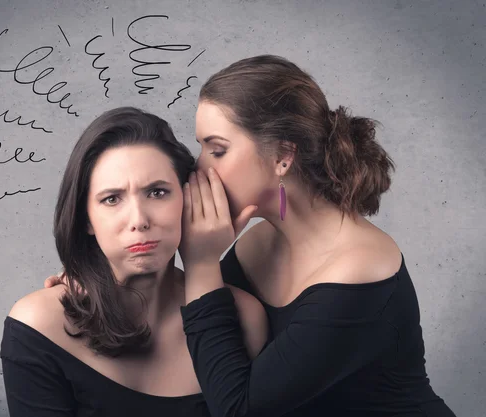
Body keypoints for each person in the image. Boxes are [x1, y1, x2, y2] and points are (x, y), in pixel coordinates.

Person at [44, 55, 457, 417]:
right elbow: (197, 320)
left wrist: (203, 261)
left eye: (217, 149)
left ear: (283, 156)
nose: (198, 166)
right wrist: (99, 283)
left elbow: (236, 406)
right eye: (201, 147)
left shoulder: (359, 269)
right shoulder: (259, 243)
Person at [1, 107, 268, 417]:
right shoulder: (42, 324)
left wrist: (203, 263)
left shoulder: (245, 319)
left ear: (188, 199)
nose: (139, 220)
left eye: (157, 192)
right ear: (86, 218)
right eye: (112, 199)